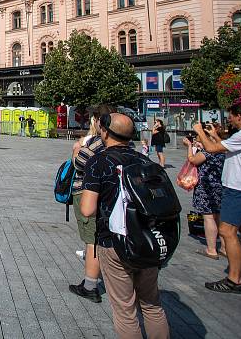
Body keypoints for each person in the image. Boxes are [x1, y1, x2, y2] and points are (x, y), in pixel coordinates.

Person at [80, 113, 170, 338]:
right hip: (148, 239)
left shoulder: (99, 161)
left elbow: (88, 209)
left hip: (115, 241)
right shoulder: (145, 161)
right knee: (152, 305)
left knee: (125, 310)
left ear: (105, 132)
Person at [194, 103, 241, 294]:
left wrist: (199, 131)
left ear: (239, 117)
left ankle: (234, 279)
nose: (229, 119)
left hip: (238, 190)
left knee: (227, 231)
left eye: (231, 116)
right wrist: (215, 135)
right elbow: (224, 148)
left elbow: (211, 148)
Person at [68, 109, 108, 303]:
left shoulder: (98, 142)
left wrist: (77, 149)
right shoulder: (126, 143)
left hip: (88, 192)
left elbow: (79, 164)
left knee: (92, 239)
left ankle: (90, 285)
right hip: (109, 194)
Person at [183, 124, 226, 260]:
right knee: (219, 217)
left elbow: (193, 160)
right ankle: (225, 248)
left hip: (207, 187)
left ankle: (211, 249)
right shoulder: (223, 149)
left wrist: (189, 147)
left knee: (208, 217)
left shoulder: (208, 152)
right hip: (221, 186)